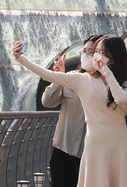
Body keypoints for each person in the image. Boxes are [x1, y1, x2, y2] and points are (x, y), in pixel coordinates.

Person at [12, 35, 127, 187]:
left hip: (120, 144)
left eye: (103, 53)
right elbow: (47, 75)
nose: (98, 56)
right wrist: (21, 59)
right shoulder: (82, 79)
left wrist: (106, 71)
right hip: (95, 144)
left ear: (115, 57)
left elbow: (120, 98)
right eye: (97, 52)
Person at [41, 34, 103, 187]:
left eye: (91, 52)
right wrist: (58, 78)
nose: (86, 55)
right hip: (63, 149)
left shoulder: (108, 84)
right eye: (84, 51)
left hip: (91, 154)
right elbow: (48, 102)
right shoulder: (70, 78)